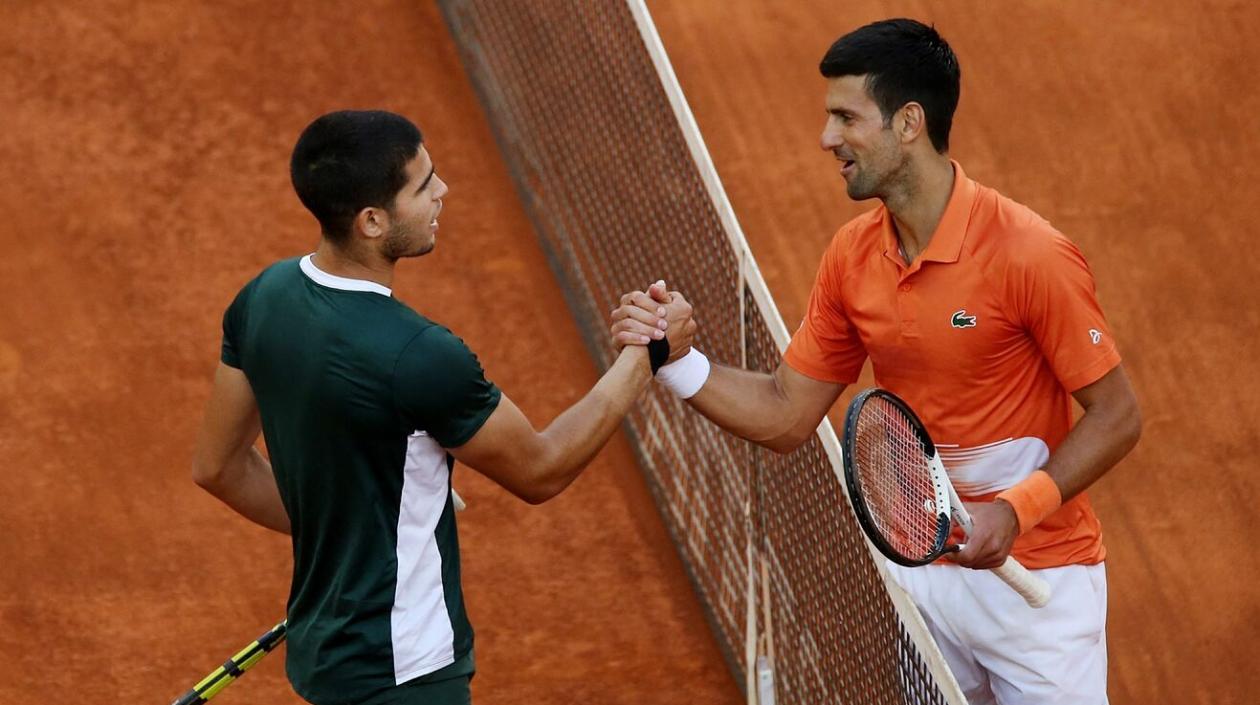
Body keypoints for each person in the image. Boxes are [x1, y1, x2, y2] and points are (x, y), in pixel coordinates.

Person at [611, 19, 1141, 705]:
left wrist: (1014, 510)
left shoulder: (1028, 254)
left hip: (1038, 590)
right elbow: (785, 410)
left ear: (908, 123)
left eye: (845, 117)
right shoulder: (853, 256)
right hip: (926, 579)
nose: (827, 138)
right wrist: (674, 361)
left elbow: (1118, 415)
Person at [191, 110, 694, 705]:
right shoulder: (419, 355)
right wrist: (647, 355)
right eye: (424, 185)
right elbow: (541, 468)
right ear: (372, 221)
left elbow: (219, 467)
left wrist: (356, 530)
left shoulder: (263, 297)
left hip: (326, 657)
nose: (443, 192)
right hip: (407, 674)